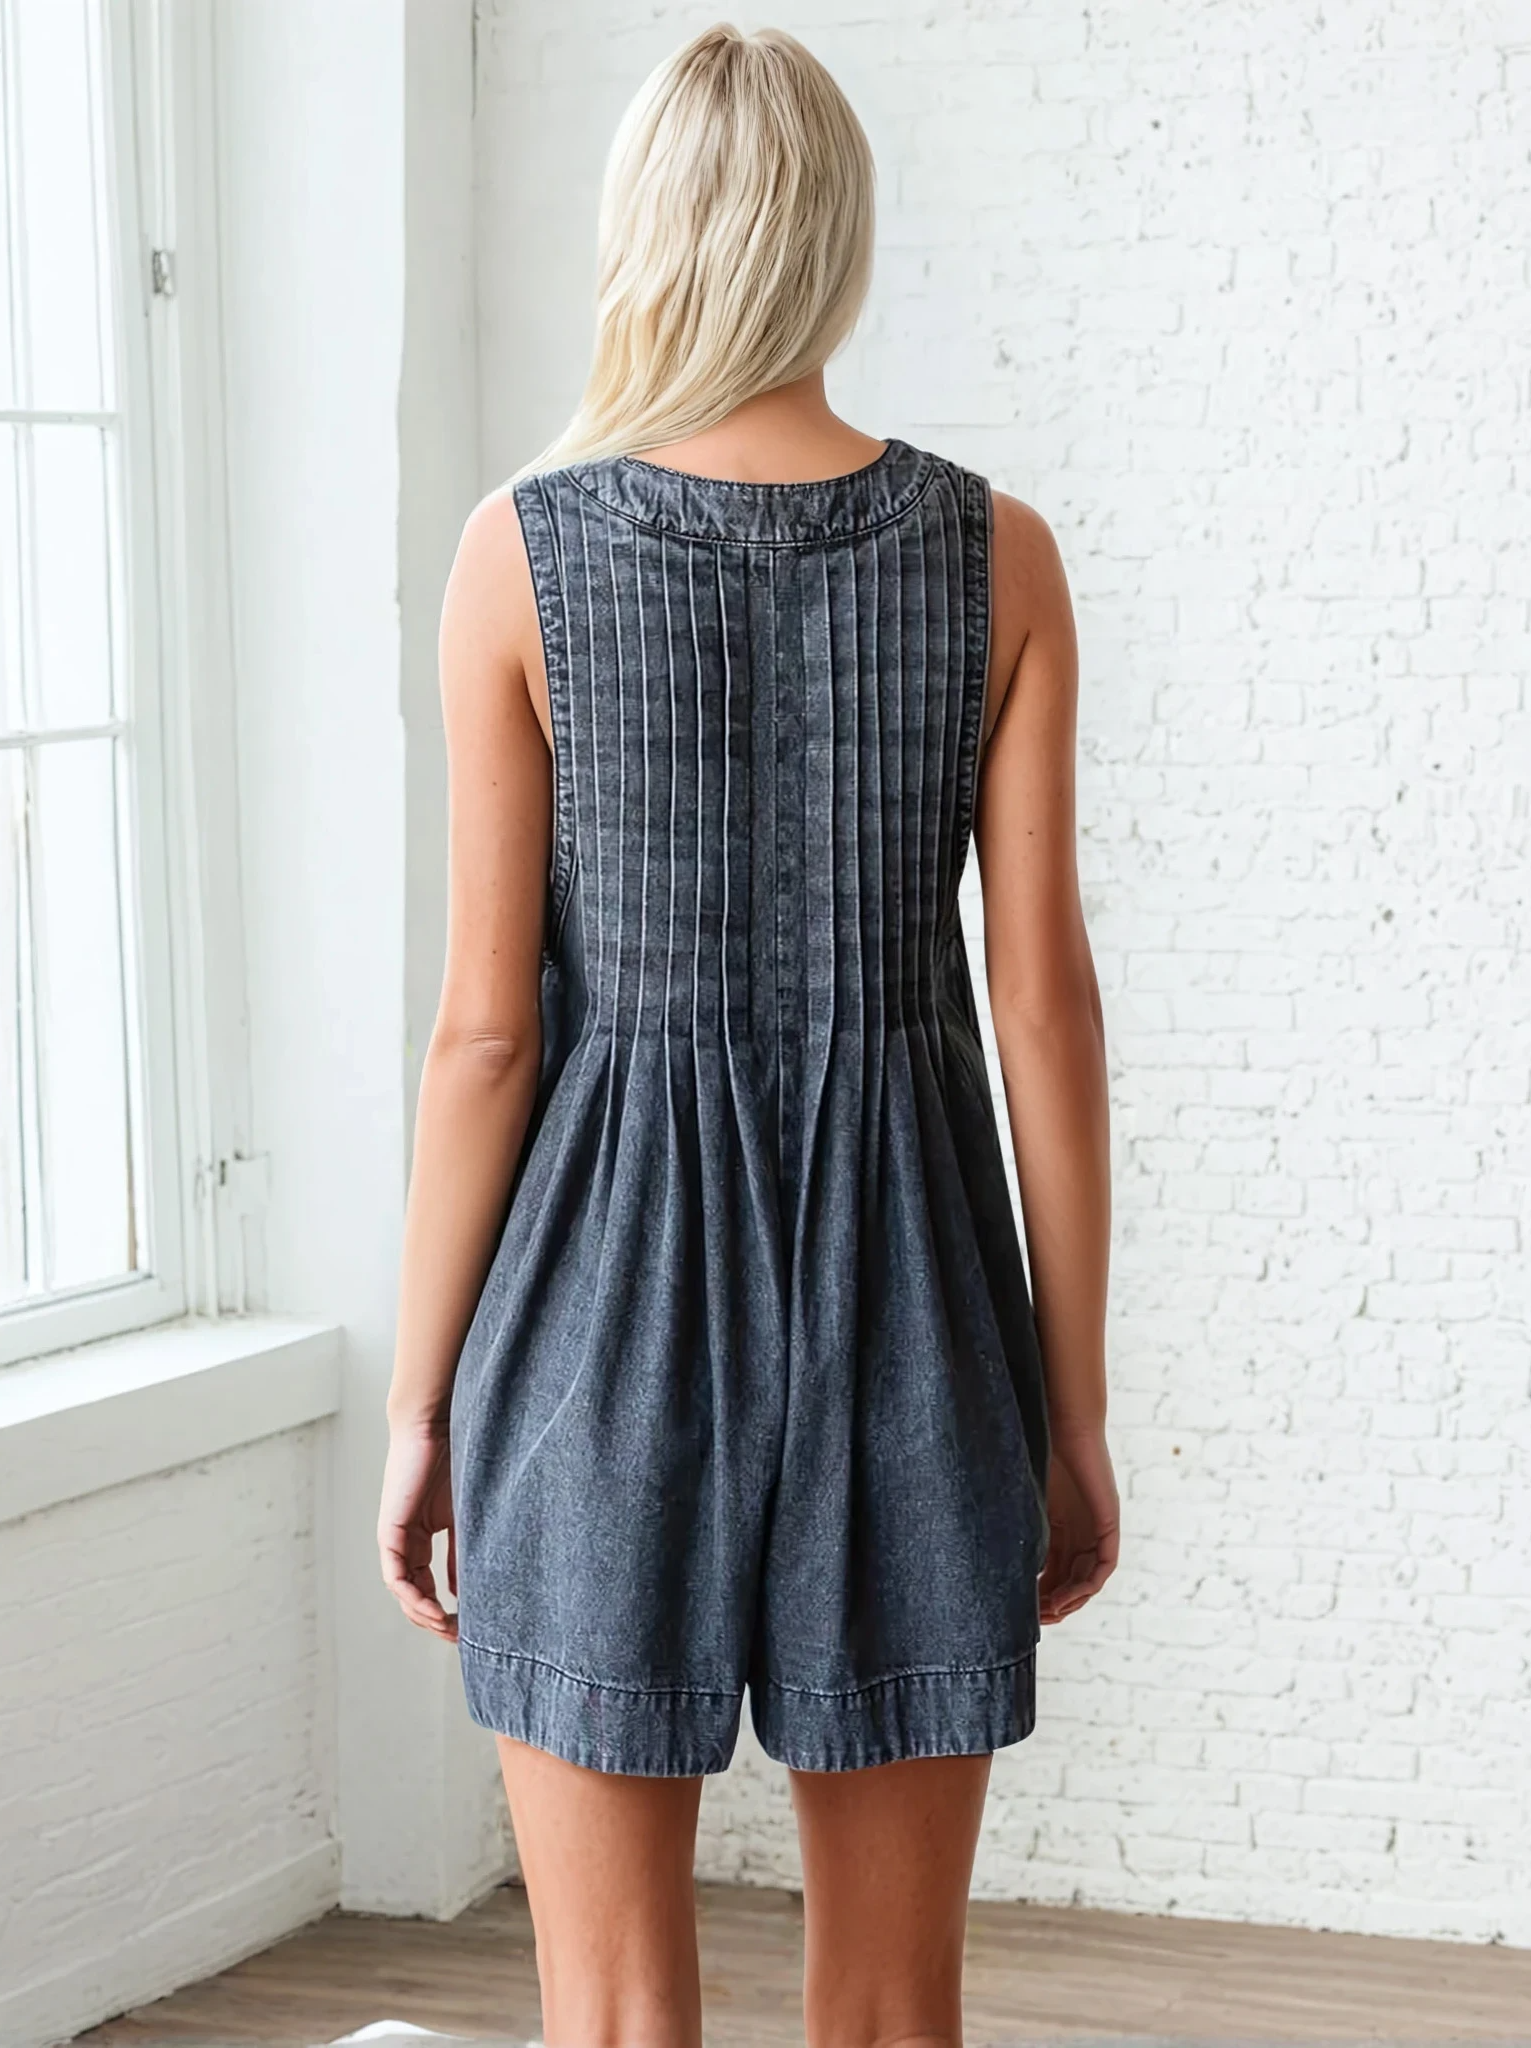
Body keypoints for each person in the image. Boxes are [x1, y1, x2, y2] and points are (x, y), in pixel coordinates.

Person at [379, 23, 1115, 2047]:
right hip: (916, 1309)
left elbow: (484, 1039)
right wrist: (1068, 1406)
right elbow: (1042, 1012)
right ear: (836, 241)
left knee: (616, 2016)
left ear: (642, 235)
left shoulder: (517, 556)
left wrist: (423, 1403)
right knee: (889, 2014)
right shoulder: (1001, 556)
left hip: (596, 1316)